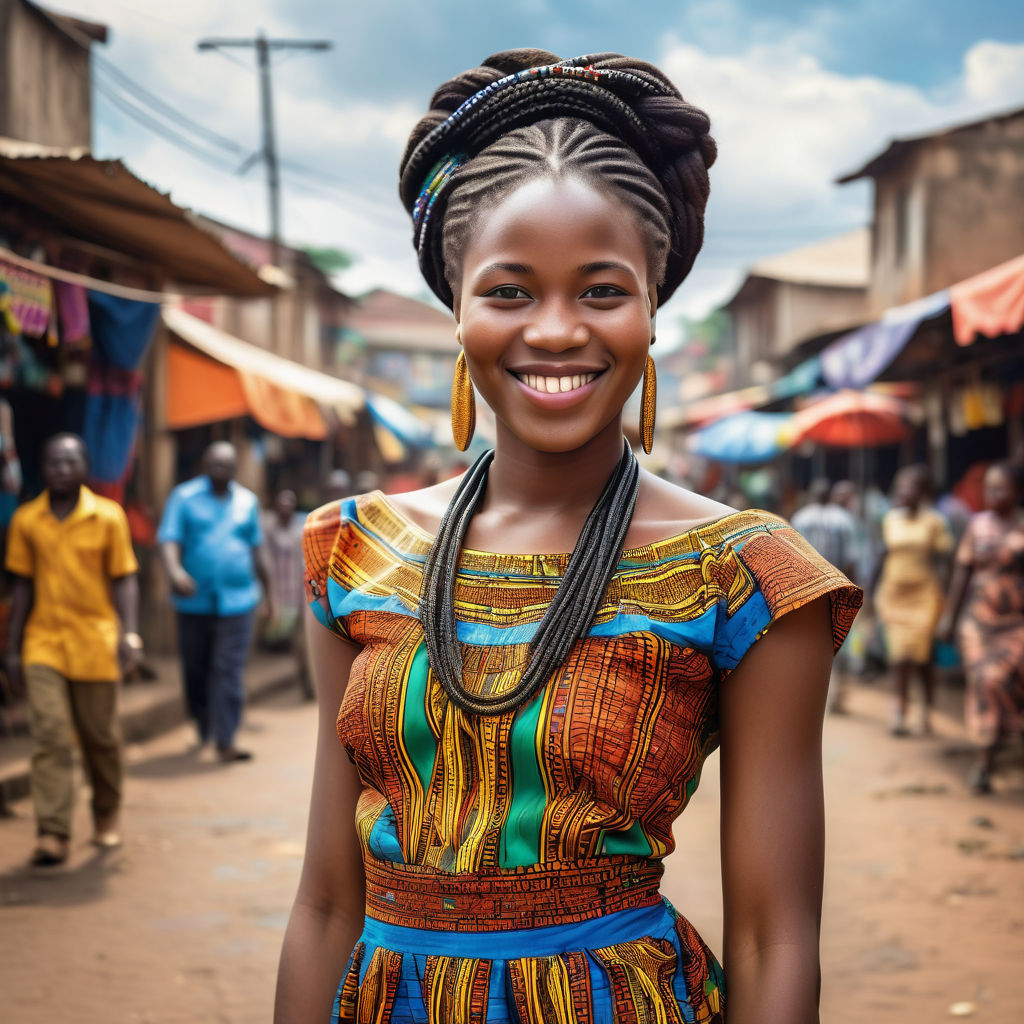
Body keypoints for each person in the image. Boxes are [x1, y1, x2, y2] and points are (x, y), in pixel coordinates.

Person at [275, 50, 861, 1024]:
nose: (555, 330)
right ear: (455, 309)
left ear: (652, 307)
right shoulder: (353, 554)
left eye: (600, 289)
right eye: (509, 291)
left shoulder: (744, 576)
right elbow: (328, 898)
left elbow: (774, 936)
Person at [4, 434, 141, 866]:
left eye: (70, 460)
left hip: (96, 641)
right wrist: (11, 648)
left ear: (84, 467)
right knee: (51, 735)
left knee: (100, 738)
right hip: (42, 642)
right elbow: (22, 586)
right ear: (42, 469)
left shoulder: (108, 517)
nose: (61, 467)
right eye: (53, 461)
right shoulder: (27, 520)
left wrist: (130, 633)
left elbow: (123, 578)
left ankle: (105, 813)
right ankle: (53, 832)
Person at [157, 442, 275, 762]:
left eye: (226, 466)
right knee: (196, 669)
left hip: (239, 601)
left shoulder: (247, 501)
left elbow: (257, 549)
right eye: (214, 464)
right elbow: (169, 540)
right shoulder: (184, 497)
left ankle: (226, 739)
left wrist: (270, 595)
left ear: (235, 470)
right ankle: (203, 721)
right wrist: (175, 571)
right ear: (204, 466)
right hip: (193, 601)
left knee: (228, 669)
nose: (219, 471)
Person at [938, 462, 1024, 793]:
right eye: (988, 488)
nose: (992, 495)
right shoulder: (977, 526)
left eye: (1000, 488)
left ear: (1017, 491)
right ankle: (984, 760)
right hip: (979, 621)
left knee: (1003, 681)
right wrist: (950, 617)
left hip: (1015, 623)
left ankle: (999, 735)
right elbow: (963, 572)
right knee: (985, 681)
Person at [871, 464, 953, 736]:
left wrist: (946, 599)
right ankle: (901, 709)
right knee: (899, 656)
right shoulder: (890, 520)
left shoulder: (935, 522)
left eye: (912, 487)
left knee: (922, 657)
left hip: (924, 597)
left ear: (923, 492)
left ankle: (927, 708)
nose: (905, 492)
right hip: (893, 594)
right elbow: (882, 557)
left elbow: (945, 562)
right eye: (902, 486)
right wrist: (869, 593)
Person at [793, 479, 859, 712]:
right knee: (838, 641)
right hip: (836, 587)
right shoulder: (843, 519)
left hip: (807, 589)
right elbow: (852, 559)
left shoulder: (801, 517)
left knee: (808, 641)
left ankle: (809, 695)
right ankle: (835, 697)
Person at [262, 489, 312, 700]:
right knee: (290, 644)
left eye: (289, 505)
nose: (285, 509)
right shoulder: (268, 531)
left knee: (304, 647)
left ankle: (309, 685)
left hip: (302, 598)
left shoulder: (302, 530)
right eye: (281, 505)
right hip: (279, 598)